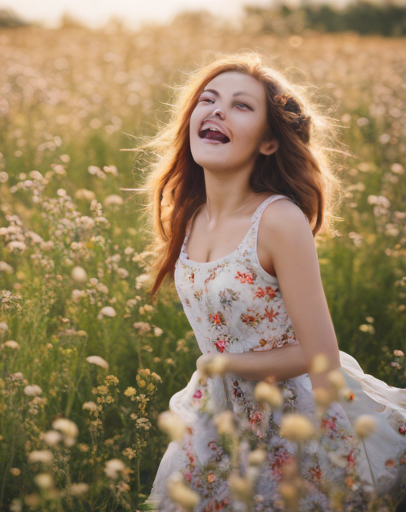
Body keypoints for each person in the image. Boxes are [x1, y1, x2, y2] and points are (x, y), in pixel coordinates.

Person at [135, 52, 406, 511]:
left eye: (241, 106)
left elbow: (319, 356)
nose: (217, 110)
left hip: (291, 418)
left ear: (268, 142)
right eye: (208, 99)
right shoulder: (188, 215)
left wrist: (218, 366)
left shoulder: (278, 219)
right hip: (220, 413)